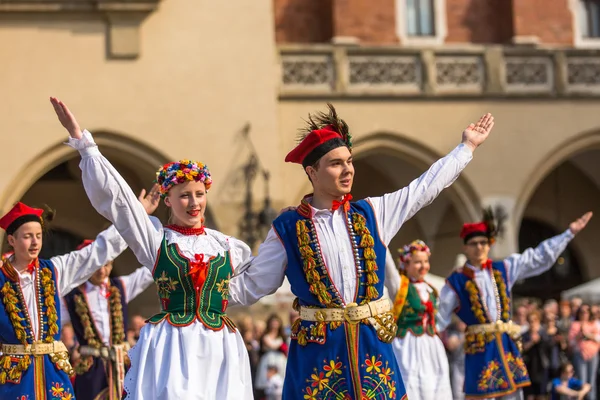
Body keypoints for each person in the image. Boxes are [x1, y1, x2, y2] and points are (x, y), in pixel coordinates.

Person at [228, 103, 495, 399]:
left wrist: (466, 147)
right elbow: (254, 283)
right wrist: (195, 299)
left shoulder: (373, 212)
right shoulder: (288, 226)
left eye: (349, 161)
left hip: (371, 346)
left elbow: (423, 188)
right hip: (320, 351)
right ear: (312, 171)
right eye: (336, 163)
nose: (348, 169)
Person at [51, 97, 254, 399]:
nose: (194, 203)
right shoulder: (157, 239)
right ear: (168, 199)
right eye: (185, 195)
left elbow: (254, 282)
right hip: (173, 345)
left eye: (199, 194)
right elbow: (120, 202)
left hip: (219, 347)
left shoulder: (226, 246)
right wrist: (85, 145)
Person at [437, 209, 593, 400]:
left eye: (483, 242)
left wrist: (568, 234)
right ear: (465, 248)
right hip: (480, 348)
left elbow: (537, 257)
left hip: (505, 344)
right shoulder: (456, 281)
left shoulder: (503, 268)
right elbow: (439, 316)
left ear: (489, 244)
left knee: (513, 394)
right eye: (474, 243)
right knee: (483, 394)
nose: (479, 247)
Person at [0, 201, 127, 399]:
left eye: (38, 236)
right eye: (27, 236)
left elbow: (94, 253)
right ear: (12, 240)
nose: (35, 242)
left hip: (53, 372)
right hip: (16, 375)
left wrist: (135, 215)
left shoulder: (53, 270)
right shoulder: (1, 277)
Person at [61, 188, 157, 400]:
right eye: (97, 267)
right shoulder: (71, 295)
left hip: (121, 362)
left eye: (107, 265)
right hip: (91, 365)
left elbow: (148, 272)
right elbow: (58, 324)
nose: (102, 271)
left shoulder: (120, 286)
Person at [388, 239, 452, 399]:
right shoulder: (400, 287)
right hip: (408, 346)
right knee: (411, 387)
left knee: (435, 387)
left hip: (431, 346)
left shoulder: (431, 289)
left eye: (425, 261)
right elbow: (387, 266)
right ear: (406, 264)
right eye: (417, 262)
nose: (423, 266)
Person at [568, 304, 600, 400]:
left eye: (586, 312)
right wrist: (579, 335)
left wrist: (588, 335)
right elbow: (571, 342)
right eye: (582, 312)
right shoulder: (575, 324)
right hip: (580, 354)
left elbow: (598, 338)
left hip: (593, 354)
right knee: (582, 381)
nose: (584, 314)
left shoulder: (594, 323)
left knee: (592, 381)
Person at [255, 314, 288, 394]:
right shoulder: (265, 336)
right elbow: (272, 345)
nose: (274, 324)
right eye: (273, 322)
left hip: (280, 361)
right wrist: (280, 345)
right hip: (268, 360)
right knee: (267, 384)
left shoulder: (282, 336)